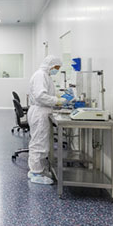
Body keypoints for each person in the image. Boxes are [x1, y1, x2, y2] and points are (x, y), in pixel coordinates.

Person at [26, 55, 65, 184]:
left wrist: (57, 96)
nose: (57, 70)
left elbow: (45, 92)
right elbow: (40, 95)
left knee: (40, 141)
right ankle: (36, 173)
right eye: (56, 68)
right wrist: (57, 101)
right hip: (39, 112)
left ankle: (37, 169)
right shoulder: (40, 75)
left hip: (42, 111)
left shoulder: (45, 75)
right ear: (51, 65)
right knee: (39, 142)